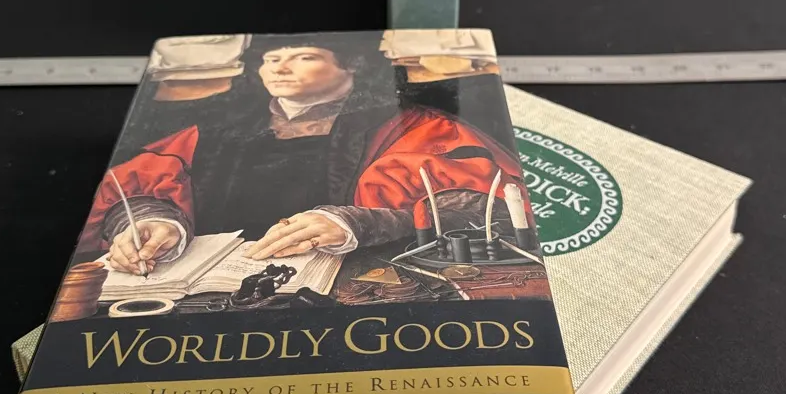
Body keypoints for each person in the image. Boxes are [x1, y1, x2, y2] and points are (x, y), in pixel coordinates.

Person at [80, 36, 528, 275]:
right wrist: (152, 220)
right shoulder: (212, 132)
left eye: (303, 56)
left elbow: (485, 208)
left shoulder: (412, 127)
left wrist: (355, 222)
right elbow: (142, 184)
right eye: (271, 58)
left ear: (351, 65)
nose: (279, 67)